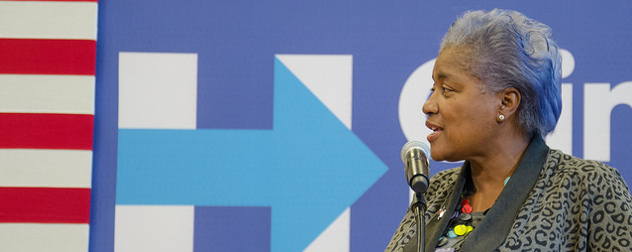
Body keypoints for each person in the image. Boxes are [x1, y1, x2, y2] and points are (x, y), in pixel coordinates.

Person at [386, 9, 632, 252]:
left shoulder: (586, 185)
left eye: (447, 89)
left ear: (506, 103)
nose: (428, 105)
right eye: (433, 88)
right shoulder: (436, 189)